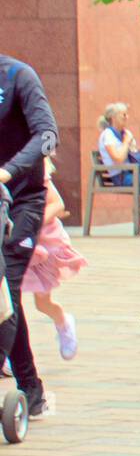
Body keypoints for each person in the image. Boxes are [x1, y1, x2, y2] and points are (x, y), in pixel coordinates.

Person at [0, 52, 57, 419]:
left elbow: (48, 136)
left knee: (6, 282)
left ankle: (29, 389)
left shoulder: (19, 75)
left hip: (22, 198)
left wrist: (8, 172)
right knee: (8, 295)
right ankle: (31, 389)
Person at [21, 157, 85, 360]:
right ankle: (10, 355)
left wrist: (31, 223)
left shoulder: (33, 169)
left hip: (43, 243)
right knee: (9, 303)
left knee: (42, 302)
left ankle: (63, 322)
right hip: (15, 244)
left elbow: (57, 204)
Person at [97, 102, 140, 233]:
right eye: (123, 115)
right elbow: (118, 158)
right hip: (122, 177)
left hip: (134, 173)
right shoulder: (108, 135)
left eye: (127, 114)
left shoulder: (124, 133)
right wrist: (126, 141)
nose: (127, 117)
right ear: (113, 118)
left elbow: (135, 154)